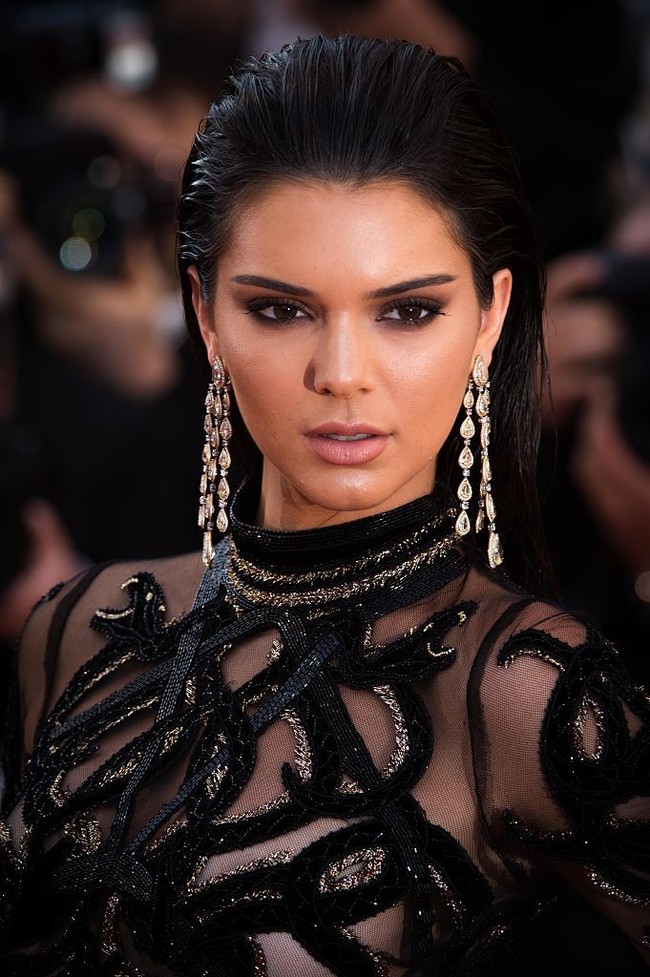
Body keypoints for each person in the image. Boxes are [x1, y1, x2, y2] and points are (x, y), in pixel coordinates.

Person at [0, 34, 648, 977]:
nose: (341, 375)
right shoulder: (77, 629)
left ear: (491, 318)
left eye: (407, 311)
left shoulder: (523, 688)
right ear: (208, 316)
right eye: (280, 309)